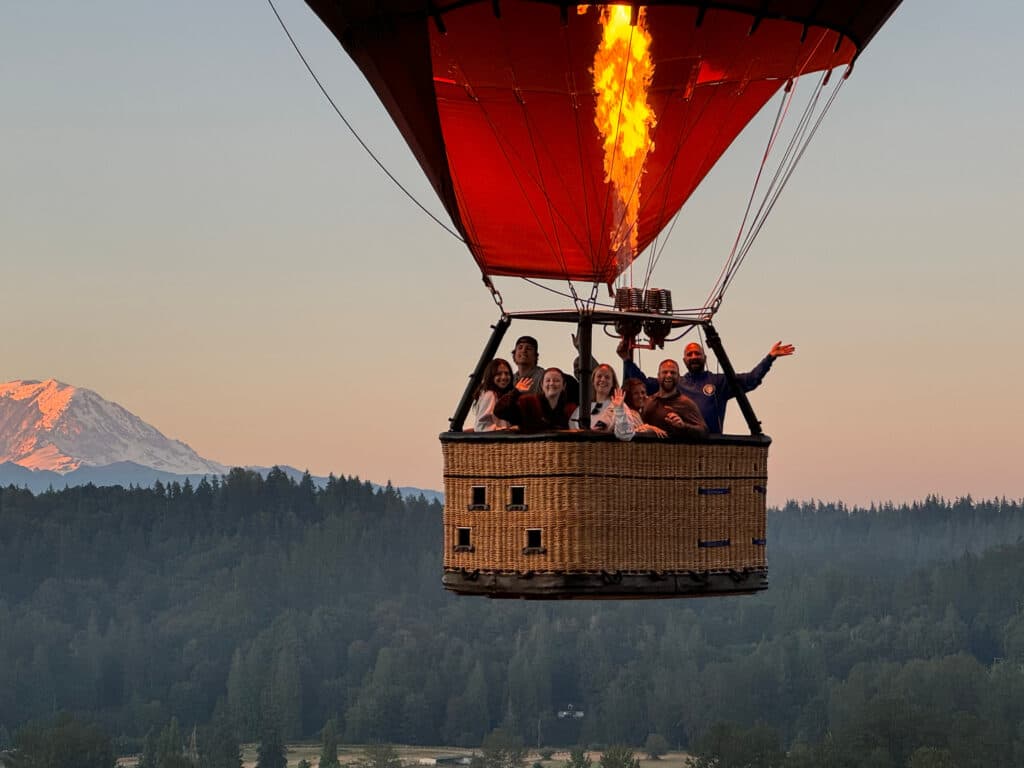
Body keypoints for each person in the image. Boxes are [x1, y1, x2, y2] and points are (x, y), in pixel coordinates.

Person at [619, 339, 795, 433]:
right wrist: (627, 359)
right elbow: (642, 383)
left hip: (710, 445)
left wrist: (770, 358)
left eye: (697, 353)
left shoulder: (719, 382)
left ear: (704, 358)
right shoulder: (675, 382)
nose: (694, 356)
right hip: (680, 446)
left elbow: (750, 380)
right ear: (684, 360)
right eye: (690, 354)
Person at [495, 367, 577, 433]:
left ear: (563, 386)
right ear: (542, 385)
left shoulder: (569, 409)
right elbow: (500, 411)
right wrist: (515, 392)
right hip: (531, 450)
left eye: (556, 381)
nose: (551, 383)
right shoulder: (528, 402)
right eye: (548, 380)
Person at [640, 360, 707, 438]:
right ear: (658, 376)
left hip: (675, 449)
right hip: (646, 449)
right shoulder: (648, 402)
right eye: (665, 372)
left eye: (673, 373)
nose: (669, 375)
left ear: (678, 377)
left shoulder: (686, 404)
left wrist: (683, 426)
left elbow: (704, 431)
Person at [569, 363, 619, 431]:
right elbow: (572, 427)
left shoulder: (619, 406)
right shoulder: (581, 409)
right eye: (599, 376)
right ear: (593, 381)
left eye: (607, 377)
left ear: (613, 383)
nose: (603, 380)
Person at [472, 358, 513, 432]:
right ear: (491, 376)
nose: (504, 377)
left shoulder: (500, 395)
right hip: (494, 441)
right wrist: (504, 429)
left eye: (507, 373)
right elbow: (481, 426)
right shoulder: (490, 395)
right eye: (499, 374)